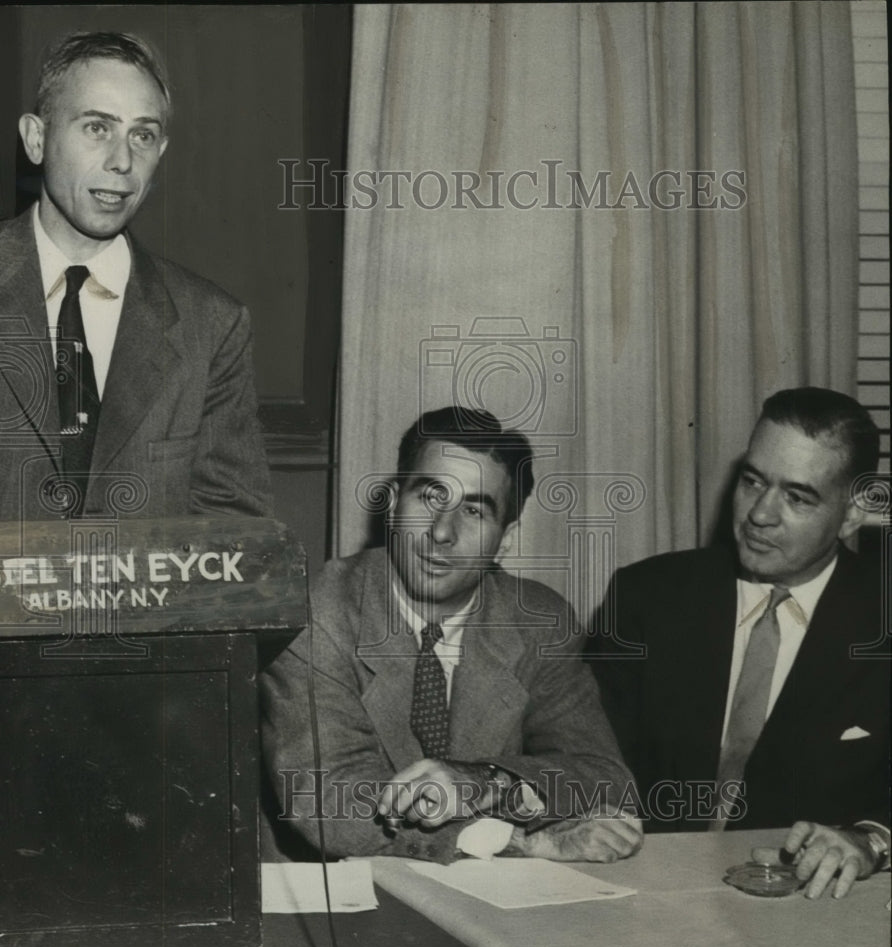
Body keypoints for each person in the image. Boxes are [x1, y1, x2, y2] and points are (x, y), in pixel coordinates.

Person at [261, 406, 642, 863]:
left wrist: (485, 783)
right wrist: (512, 840)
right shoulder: (317, 610)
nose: (442, 532)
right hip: (333, 892)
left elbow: (606, 779)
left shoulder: (540, 621)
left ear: (506, 538)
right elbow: (331, 802)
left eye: (475, 511)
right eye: (429, 497)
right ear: (394, 502)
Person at [591, 387, 890, 899]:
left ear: (854, 510)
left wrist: (871, 840)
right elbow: (582, 759)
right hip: (642, 896)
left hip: (807, 913)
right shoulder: (646, 597)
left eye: (797, 497)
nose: (759, 515)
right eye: (753, 481)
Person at [0, 31, 271, 520]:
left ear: (160, 151)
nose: (122, 161)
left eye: (141, 135)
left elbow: (232, 533)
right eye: (97, 128)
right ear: (36, 139)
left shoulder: (210, 325)